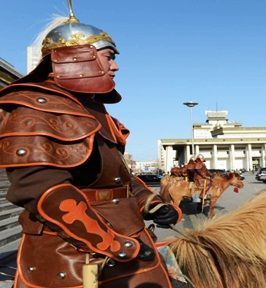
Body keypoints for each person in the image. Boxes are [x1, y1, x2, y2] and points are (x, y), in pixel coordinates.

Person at [0, 6, 180, 287]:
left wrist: (152, 204)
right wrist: (112, 244)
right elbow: (42, 190)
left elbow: (117, 179)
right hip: (72, 254)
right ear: (78, 56)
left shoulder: (94, 108)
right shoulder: (32, 107)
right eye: (109, 56)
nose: (115, 66)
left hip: (126, 240)